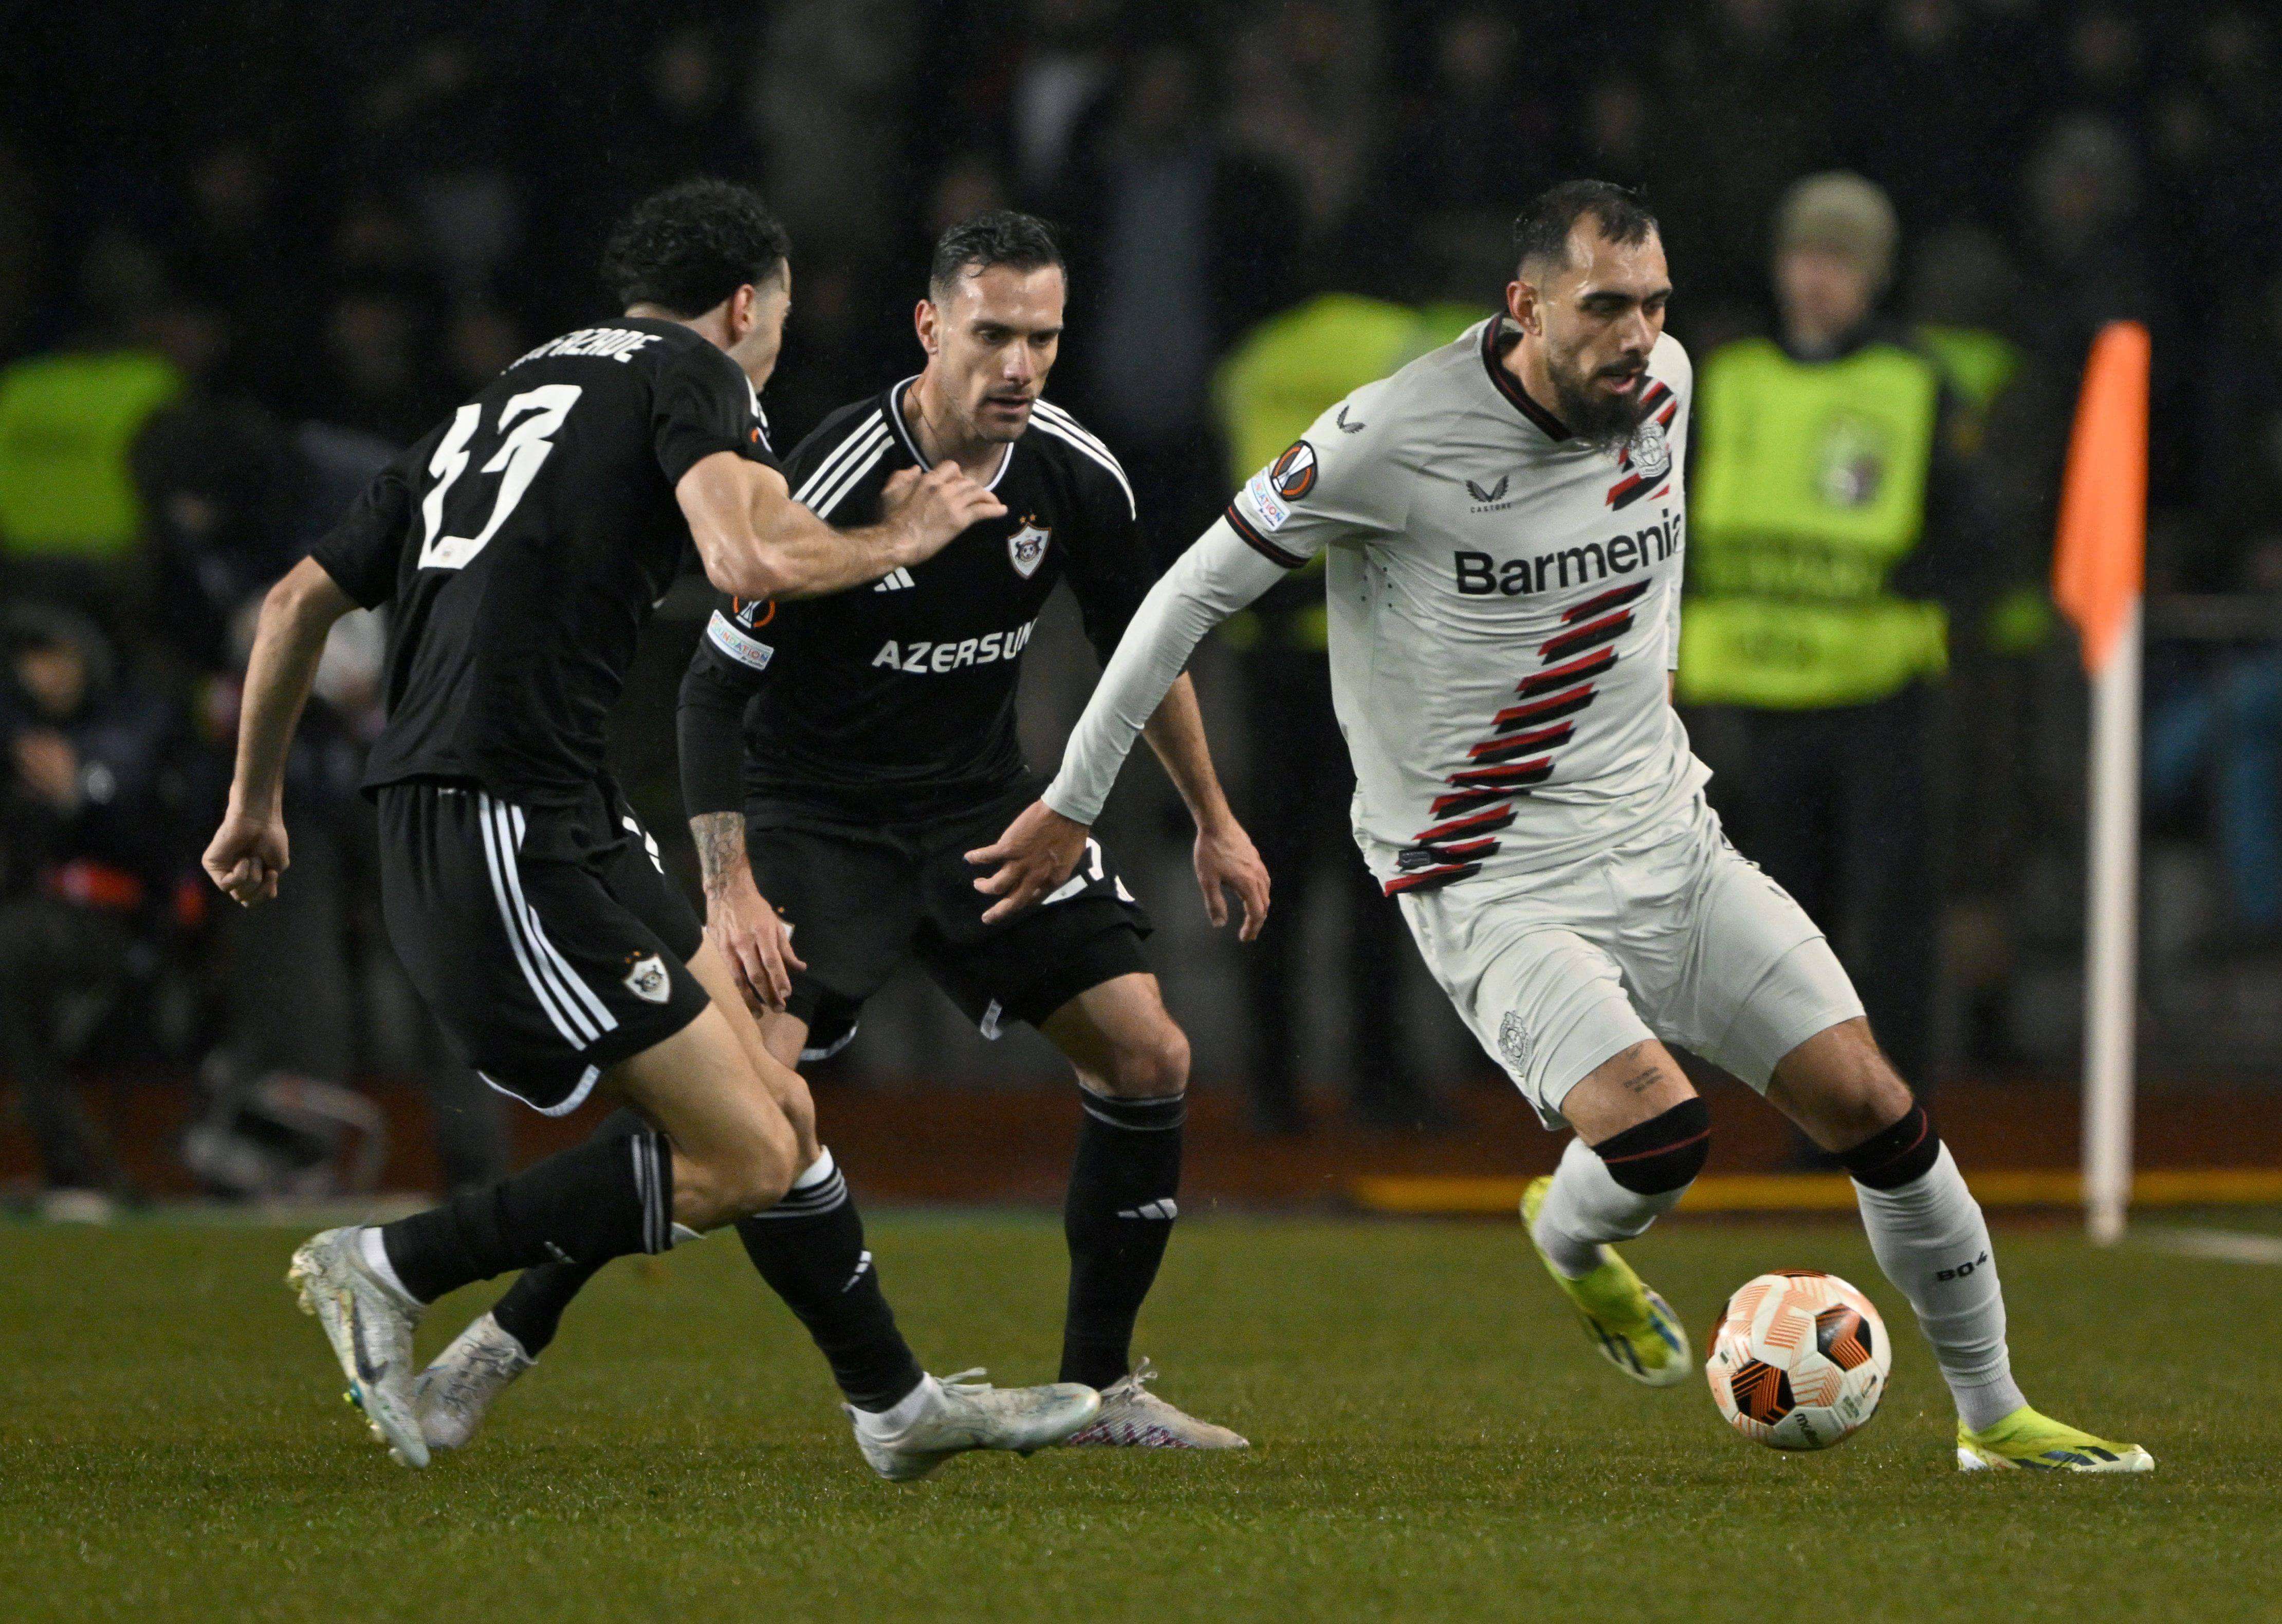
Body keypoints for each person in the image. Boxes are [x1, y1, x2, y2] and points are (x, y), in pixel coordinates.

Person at [973, 181, 2150, 1474]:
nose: (1639, 333)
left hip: (1670, 837)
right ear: (1526, 305)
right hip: (1490, 875)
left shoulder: (1671, 388)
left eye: (1654, 303)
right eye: (1606, 306)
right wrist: (1075, 797)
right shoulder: (1389, 434)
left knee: (1874, 1105)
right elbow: (1180, 597)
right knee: (1661, 1134)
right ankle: (1576, 1236)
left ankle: (1995, 1418)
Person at [202, 179, 1100, 1478]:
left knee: (776, 1104)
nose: (776, 349)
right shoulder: (696, 370)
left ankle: (898, 1409)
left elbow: (296, 600)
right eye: (778, 318)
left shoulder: (505, 393)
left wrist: (253, 801)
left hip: (561, 806)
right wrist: (899, 531)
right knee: (734, 1152)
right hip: (495, 815)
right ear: (747, 303)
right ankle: (389, 1263)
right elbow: (749, 564)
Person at [414, 212, 1265, 1452]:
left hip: (983, 816)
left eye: (1043, 338)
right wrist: (733, 884)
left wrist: (1216, 821)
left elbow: (1150, 653)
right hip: (816, 825)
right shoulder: (829, 475)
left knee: (1149, 1056)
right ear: (932, 328)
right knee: (738, 1120)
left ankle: (1100, 1392)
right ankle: (505, 1335)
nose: (1019, 367)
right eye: (992, 335)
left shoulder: (1077, 474)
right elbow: (712, 687)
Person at [1676, 173, 1991, 1090]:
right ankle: (1817, 1111)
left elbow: (1972, 528)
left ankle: (1894, 1104)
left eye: (1840, 261)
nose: (1816, 278)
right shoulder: (1729, 378)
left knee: (1891, 914)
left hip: (1877, 693)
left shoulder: (1913, 381)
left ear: (1875, 276)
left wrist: (1913, 585)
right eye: (1804, 255)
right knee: (1784, 926)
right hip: (1757, 696)